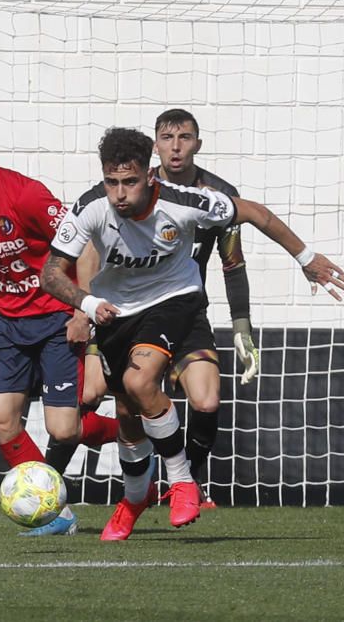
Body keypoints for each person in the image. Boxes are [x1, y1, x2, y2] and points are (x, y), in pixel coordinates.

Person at [43, 127, 344, 541]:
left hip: (176, 298)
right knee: (129, 417)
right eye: (112, 182)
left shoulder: (184, 202)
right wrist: (86, 303)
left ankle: (183, 480)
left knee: (140, 381)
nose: (120, 193)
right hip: (115, 311)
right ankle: (134, 500)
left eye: (130, 181)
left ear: (148, 176)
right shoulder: (91, 207)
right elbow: (49, 273)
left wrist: (306, 257)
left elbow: (256, 213)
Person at [0, 111, 119, 536]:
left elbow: (85, 244)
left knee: (64, 428)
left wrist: (81, 309)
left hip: (56, 317)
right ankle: (55, 512)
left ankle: (138, 432)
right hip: (8, 323)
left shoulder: (25, 195)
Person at [80, 108, 259, 507]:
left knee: (206, 400)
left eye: (185, 138)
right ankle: (123, 481)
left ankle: (186, 483)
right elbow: (88, 247)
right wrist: (84, 306)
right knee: (97, 394)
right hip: (124, 310)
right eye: (167, 138)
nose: (176, 147)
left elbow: (232, 262)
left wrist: (241, 326)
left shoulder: (216, 195)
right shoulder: (123, 189)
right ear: (155, 145)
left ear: (198, 143)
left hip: (183, 310)